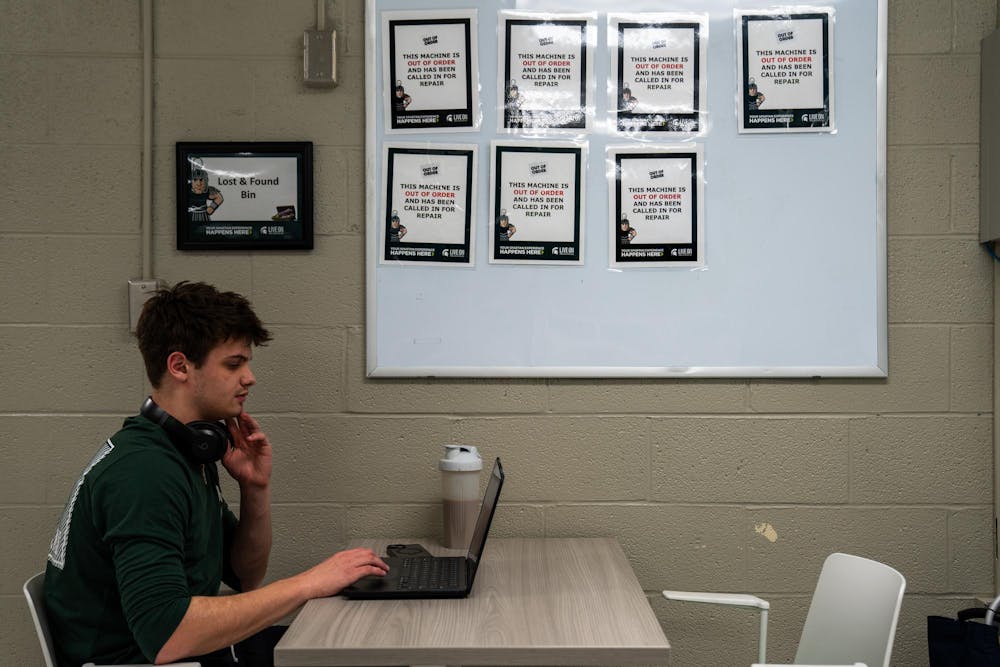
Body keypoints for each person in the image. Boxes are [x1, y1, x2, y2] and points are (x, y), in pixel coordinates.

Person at [43, 281, 389, 667]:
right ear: (180, 367)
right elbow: (166, 636)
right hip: (147, 661)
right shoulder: (144, 473)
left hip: (184, 653)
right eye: (233, 364)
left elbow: (244, 575)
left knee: (339, 647)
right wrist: (309, 583)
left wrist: (255, 487)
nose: (250, 377)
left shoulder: (187, 450)